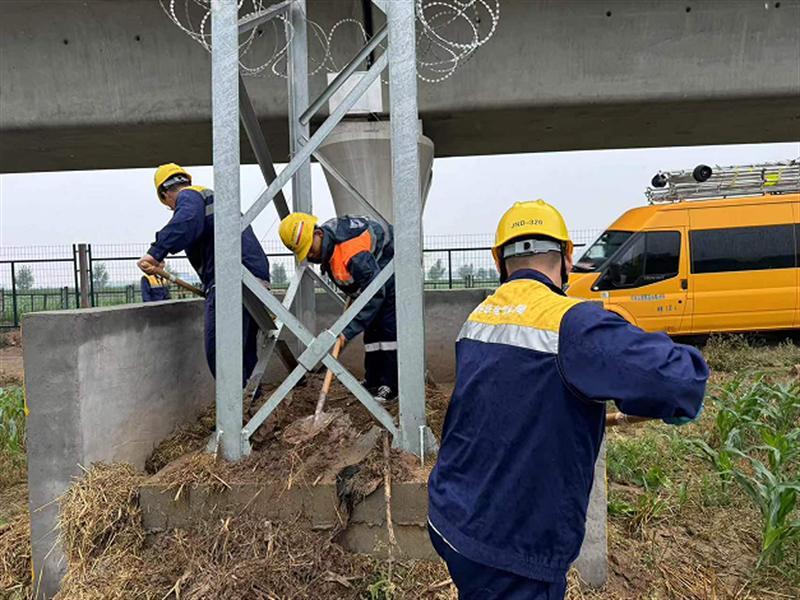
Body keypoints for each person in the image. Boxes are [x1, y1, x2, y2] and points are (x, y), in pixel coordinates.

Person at [427, 200, 709, 599]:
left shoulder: (480, 317)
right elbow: (680, 382)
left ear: (498, 263)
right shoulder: (572, 323)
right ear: (567, 258)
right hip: (509, 549)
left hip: (450, 517)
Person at [137, 163, 270, 385]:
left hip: (231, 279)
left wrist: (155, 253)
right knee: (242, 349)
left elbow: (185, 223)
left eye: (170, 206)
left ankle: (234, 411)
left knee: (218, 351)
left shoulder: (189, 196)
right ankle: (249, 404)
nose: (172, 209)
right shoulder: (210, 199)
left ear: (165, 194)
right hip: (253, 275)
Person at [279, 212, 397, 402]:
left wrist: (347, 331)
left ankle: (391, 385)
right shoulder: (330, 246)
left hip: (392, 270)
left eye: (310, 248)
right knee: (372, 331)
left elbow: (376, 291)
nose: (310, 254)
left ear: (318, 234)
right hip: (373, 276)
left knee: (387, 329)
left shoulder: (352, 252)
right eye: (305, 252)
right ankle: (373, 381)